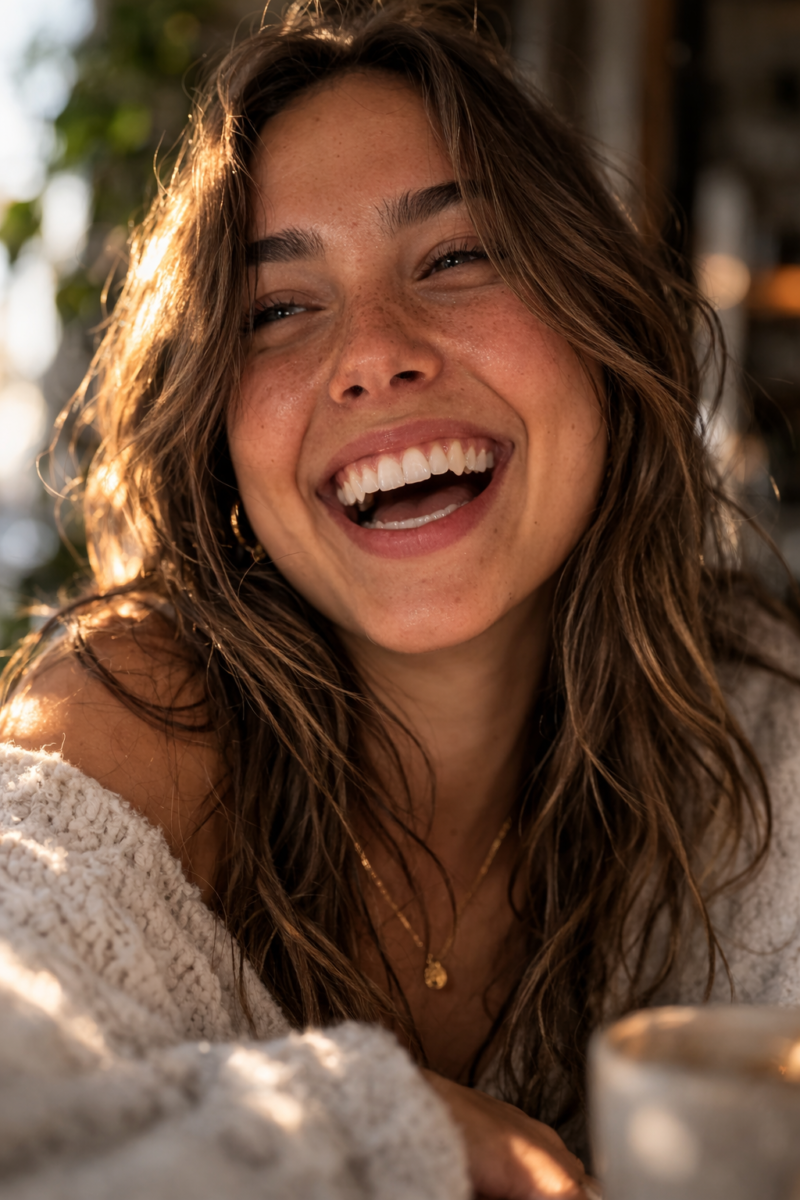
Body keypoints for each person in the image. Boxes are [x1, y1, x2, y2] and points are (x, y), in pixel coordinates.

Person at [1, 2, 799, 1197]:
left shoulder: (757, 720)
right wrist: (376, 1122)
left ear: (598, 328)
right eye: (278, 310)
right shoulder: (135, 718)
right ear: (221, 436)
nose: (373, 351)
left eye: (455, 257)